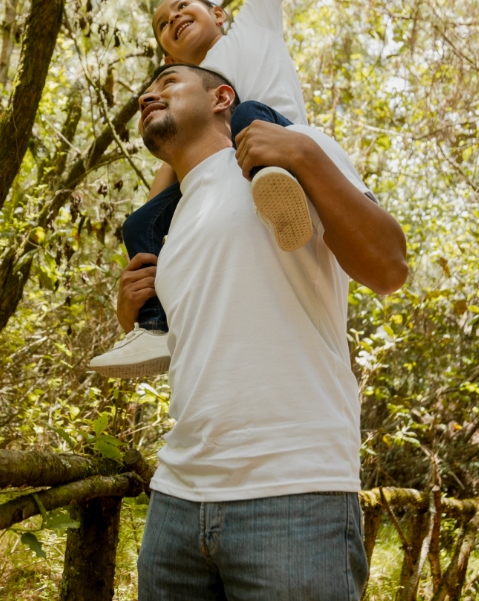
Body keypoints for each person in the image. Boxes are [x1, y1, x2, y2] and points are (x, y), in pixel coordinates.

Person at [120, 64, 407, 599]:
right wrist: (132, 312)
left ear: (222, 98)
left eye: (167, 84)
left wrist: (302, 154)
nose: (147, 96)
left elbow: (388, 268)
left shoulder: (293, 149)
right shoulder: (174, 224)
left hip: (294, 494)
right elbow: (205, 347)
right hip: (177, 501)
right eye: (144, 92)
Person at [88, 0, 319, 378]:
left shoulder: (254, 26)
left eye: (181, 8)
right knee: (138, 225)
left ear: (218, 13)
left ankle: (280, 193)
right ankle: (154, 327)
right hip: (223, 172)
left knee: (248, 115)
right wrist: (146, 224)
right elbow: (169, 167)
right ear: (166, 51)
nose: (172, 19)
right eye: (162, 26)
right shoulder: (185, 92)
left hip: (281, 143)